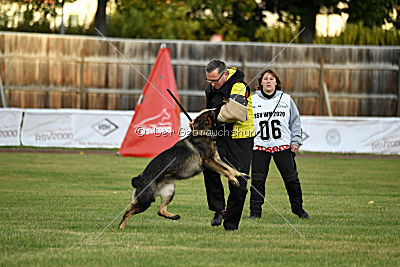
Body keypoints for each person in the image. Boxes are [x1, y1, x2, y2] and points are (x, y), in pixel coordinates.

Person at [249, 69, 309, 219]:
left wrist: (296, 141)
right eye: (265, 79)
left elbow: (295, 122)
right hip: (259, 147)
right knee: (257, 181)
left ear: (276, 82)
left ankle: (298, 210)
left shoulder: (286, 99)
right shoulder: (252, 100)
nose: (268, 81)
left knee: (291, 180)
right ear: (260, 82)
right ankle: (255, 213)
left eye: (271, 79)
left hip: (283, 147)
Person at [202, 59, 254, 231]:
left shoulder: (239, 86)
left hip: (241, 139)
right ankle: (219, 209)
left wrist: (211, 115)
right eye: (209, 80)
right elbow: (212, 115)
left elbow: (234, 113)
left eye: (215, 80)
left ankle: (231, 225)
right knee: (209, 166)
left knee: (238, 183)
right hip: (221, 136)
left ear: (225, 74)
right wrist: (200, 121)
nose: (213, 85)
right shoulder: (211, 88)